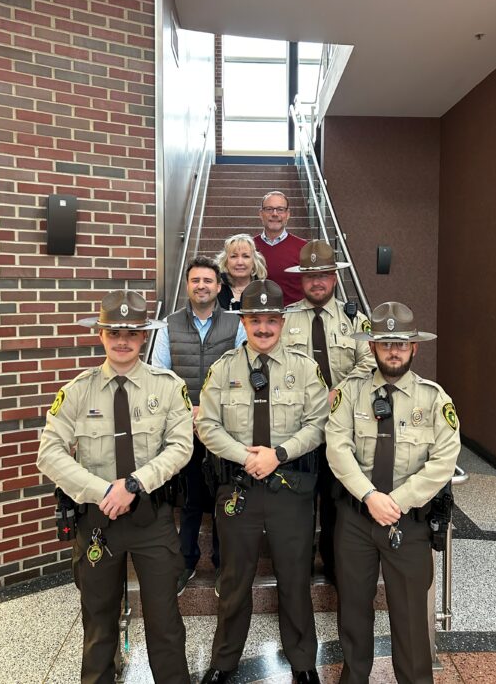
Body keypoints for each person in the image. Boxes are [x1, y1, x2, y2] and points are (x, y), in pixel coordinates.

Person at [37, 290, 194, 684]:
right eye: (113, 332)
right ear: (101, 335)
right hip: (97, 522)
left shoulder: (168, 387)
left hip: (152, 520)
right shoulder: (77, 391)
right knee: (98, 623)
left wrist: (135, 484)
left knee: (165, 624)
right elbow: (49, 453)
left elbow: (181, 447)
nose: (122, 341)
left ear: (144, 337)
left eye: (131, 333)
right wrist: (103, 491)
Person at [197, 280, 329, 684]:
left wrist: (278, 454)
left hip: (291, 489)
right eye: (255, 320)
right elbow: (207, 425)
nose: (264, 327)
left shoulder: (304, 369)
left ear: (282, 322)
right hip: (239, 488)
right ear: (244, 323)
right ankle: (224, 662)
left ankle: (303, 662)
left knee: (295, 578)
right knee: (234, 581)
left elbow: (318, 423)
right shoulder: (223, 368)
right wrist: (247, 457)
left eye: (271, 319)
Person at [325, 302, 461, 684]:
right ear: (372, 347)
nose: (394, 351)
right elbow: (337, 449)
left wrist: (396, 502)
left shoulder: (434, 399)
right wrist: (370, 496)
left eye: (401, 343)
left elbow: (443, 462)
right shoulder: (350, 393)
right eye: (385, 343)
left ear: (414, 348)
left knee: (411, 618)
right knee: (353, 612)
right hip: (356, 520)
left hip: (409, 524)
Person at [152, 256, 246, 597]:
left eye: (208, 281)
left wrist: (208, 411)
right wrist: (185, 412)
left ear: (219, 287)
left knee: (224, 496)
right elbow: (159, 375)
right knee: (190, 498)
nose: (202, 286)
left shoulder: (236, 324)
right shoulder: (169, 325)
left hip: (224, 426)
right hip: (185, 428)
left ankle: (223, 564)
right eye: (196, 280)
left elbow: (243, 372)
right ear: (188, 285)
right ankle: (186, 562)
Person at [283, 239, 376, 581]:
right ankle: (300, 567)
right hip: (300, 427)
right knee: (299, 502)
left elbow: (369, 363)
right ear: (301, 280)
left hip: (344, 427)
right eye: (310, 276)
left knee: (339, 500)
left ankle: (336, 566)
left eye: (323, 274)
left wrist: (339, 391)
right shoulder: (285, 319)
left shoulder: (356, 320)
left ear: (334, 277)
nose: (317, 282)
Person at [253, 190, 306, 306]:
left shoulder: (304, 248)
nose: (275, 214)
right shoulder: (249, 248)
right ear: (261, 213)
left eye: (280, 209)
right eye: (269, 209)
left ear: (288, 214)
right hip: (257, 313)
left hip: (294, 313)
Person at [215, 233, 267, 311]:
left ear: (254, 261)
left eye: (246, 256)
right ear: (225, 261)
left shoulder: (266, 291)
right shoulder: (215, 289)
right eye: (234, 256)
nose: (240, 262)